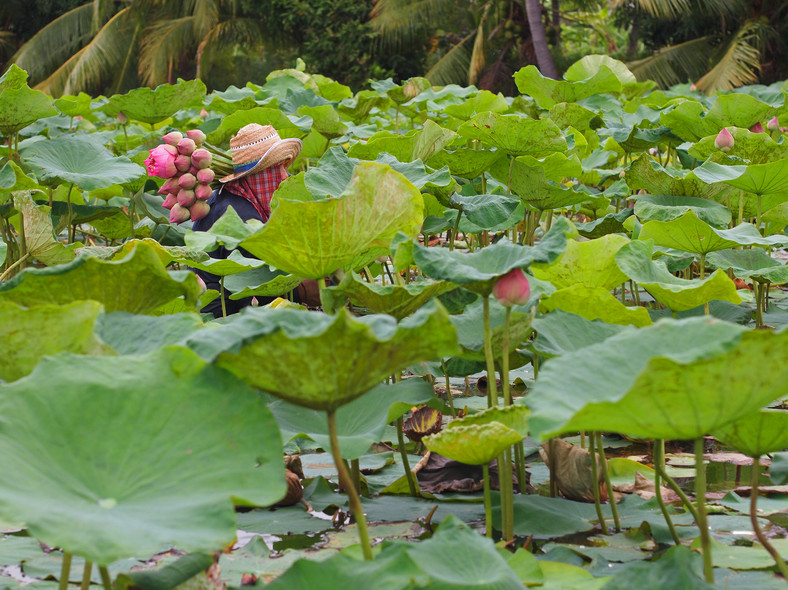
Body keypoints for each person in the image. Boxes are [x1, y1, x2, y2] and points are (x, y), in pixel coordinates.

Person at [191, 123, 316, 317]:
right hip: (223, 322)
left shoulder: (229, 196)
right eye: (276, 168)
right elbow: (265, 292)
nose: (285, 176)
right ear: (256, 176)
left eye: (284, 165)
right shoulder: (240, 217)